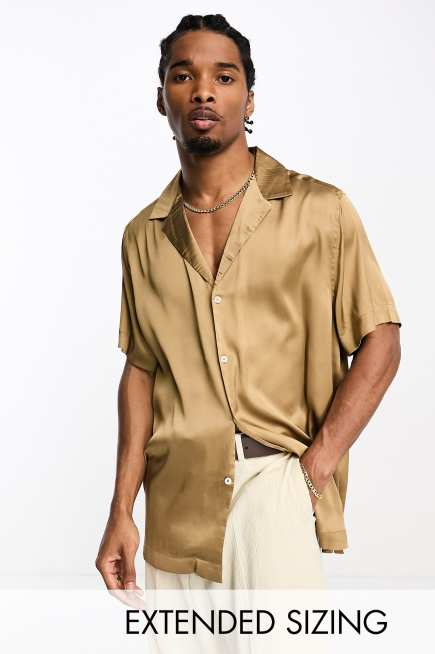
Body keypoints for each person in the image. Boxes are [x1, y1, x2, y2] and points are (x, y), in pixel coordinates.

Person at [95, 13, 402, 600]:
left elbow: (381, 340)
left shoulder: (320, 210)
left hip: (276, 487)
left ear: (249, 98)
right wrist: (121, 510)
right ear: (161, 100)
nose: (203, 91)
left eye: (224, 77)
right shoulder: (143, 235)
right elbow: (141, 370)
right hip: (174, 503)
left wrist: (314, 469)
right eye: (183, 76)